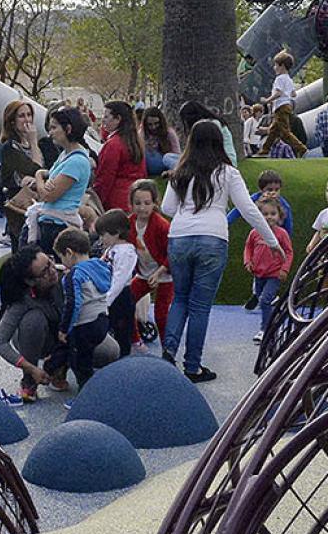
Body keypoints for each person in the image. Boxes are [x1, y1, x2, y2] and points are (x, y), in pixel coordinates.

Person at [161, 119, 281, 383]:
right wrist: (272, 241)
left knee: (179, 298)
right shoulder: (227, 172)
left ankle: (168, 351)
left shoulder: (179, 171)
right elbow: (249, 209)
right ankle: (192, 366)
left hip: (180, 236)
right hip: (213, 237)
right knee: (200, 306)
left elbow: (167, 208)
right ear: (219, 141)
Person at [0, 245, 68, 403]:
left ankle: (60, 366)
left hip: (64, 336)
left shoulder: (64, 277)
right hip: (38, 338)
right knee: (33, 320)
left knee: (109, 353)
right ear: (30, 281)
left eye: (50, 262)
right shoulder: (22, 299)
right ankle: (29, 381)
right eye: (44, 272)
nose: (52, 270)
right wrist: (30, 368)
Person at [29, 105, 93, 254]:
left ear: (68, 129)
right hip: (51, 222)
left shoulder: (75, 161)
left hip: (58, 227)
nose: (50, 133)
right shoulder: (66, 154)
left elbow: (47, 195)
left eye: (54, 128)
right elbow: (49, 180)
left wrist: (39, 176)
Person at [53, 228, 111, 389]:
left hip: (85, 324)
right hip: (102, 319)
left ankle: (85, 394)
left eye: (62, 257)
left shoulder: (73, 275)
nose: (62, 262)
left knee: (80, 363)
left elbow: (73, 303)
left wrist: (64, 329)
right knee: (88, 356)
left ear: (69, 253)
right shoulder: (100, 265)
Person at [126, 179, 172, 344]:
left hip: (165, 275)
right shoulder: (130, 223)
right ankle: (135, 340)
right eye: (137, 203)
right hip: (143, 274)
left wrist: (159, 272)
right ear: (131, 204)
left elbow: (172, 254)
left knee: (161, 313)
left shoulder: (161, 226)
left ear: (154, 203)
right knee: (126, 301)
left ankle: (168, 347)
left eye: (147, 203)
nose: (142, 207)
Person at [243, 197, 294, 342]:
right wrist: (248, 261)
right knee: (262, 299)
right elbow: (248, 248)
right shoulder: (254, 233)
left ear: (279, 216)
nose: (269, 217)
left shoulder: (281, 234)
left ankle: (265, 329)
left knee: (264, 301)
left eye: (273, 214)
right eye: (265, 214)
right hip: (259, 274)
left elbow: (289, 252)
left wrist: (284, 269)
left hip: (274, 274)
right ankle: (272, 308)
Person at [0, 99, 43, 250]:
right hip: (20, 206)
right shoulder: (9, 147)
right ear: (12, 122)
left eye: (29, 115)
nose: (27, 120)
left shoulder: (42, 144)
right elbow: (36, 170)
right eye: (21, 116)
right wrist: (33, 142)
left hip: (39, 202)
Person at [95, 209, 138, 354]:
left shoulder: (126, 252)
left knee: (122, 332)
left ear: (117, 232)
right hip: (109, 293)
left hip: (121, 297)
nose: (101, 239)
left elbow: (120, 278)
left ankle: (123, 359)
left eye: (104, 235)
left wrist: (107, 300)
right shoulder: (111, 249)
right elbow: (100, 265)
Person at [91, 100, 147, 212]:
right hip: (135, 197)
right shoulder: (134, 141)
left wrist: (96, 201)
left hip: (116, 201)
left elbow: (105, 177)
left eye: (106, 116)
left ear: (118, 119)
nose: (103, 120)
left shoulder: (113, 145)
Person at [139, 106, 180, 176]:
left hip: (165, 162)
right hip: (149, 164)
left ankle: (175, 171)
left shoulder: (169, 133)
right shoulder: (142, 133)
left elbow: (176, 154)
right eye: (150, 124)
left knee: (167, 157)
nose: (153, 127)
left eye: (156, 123)